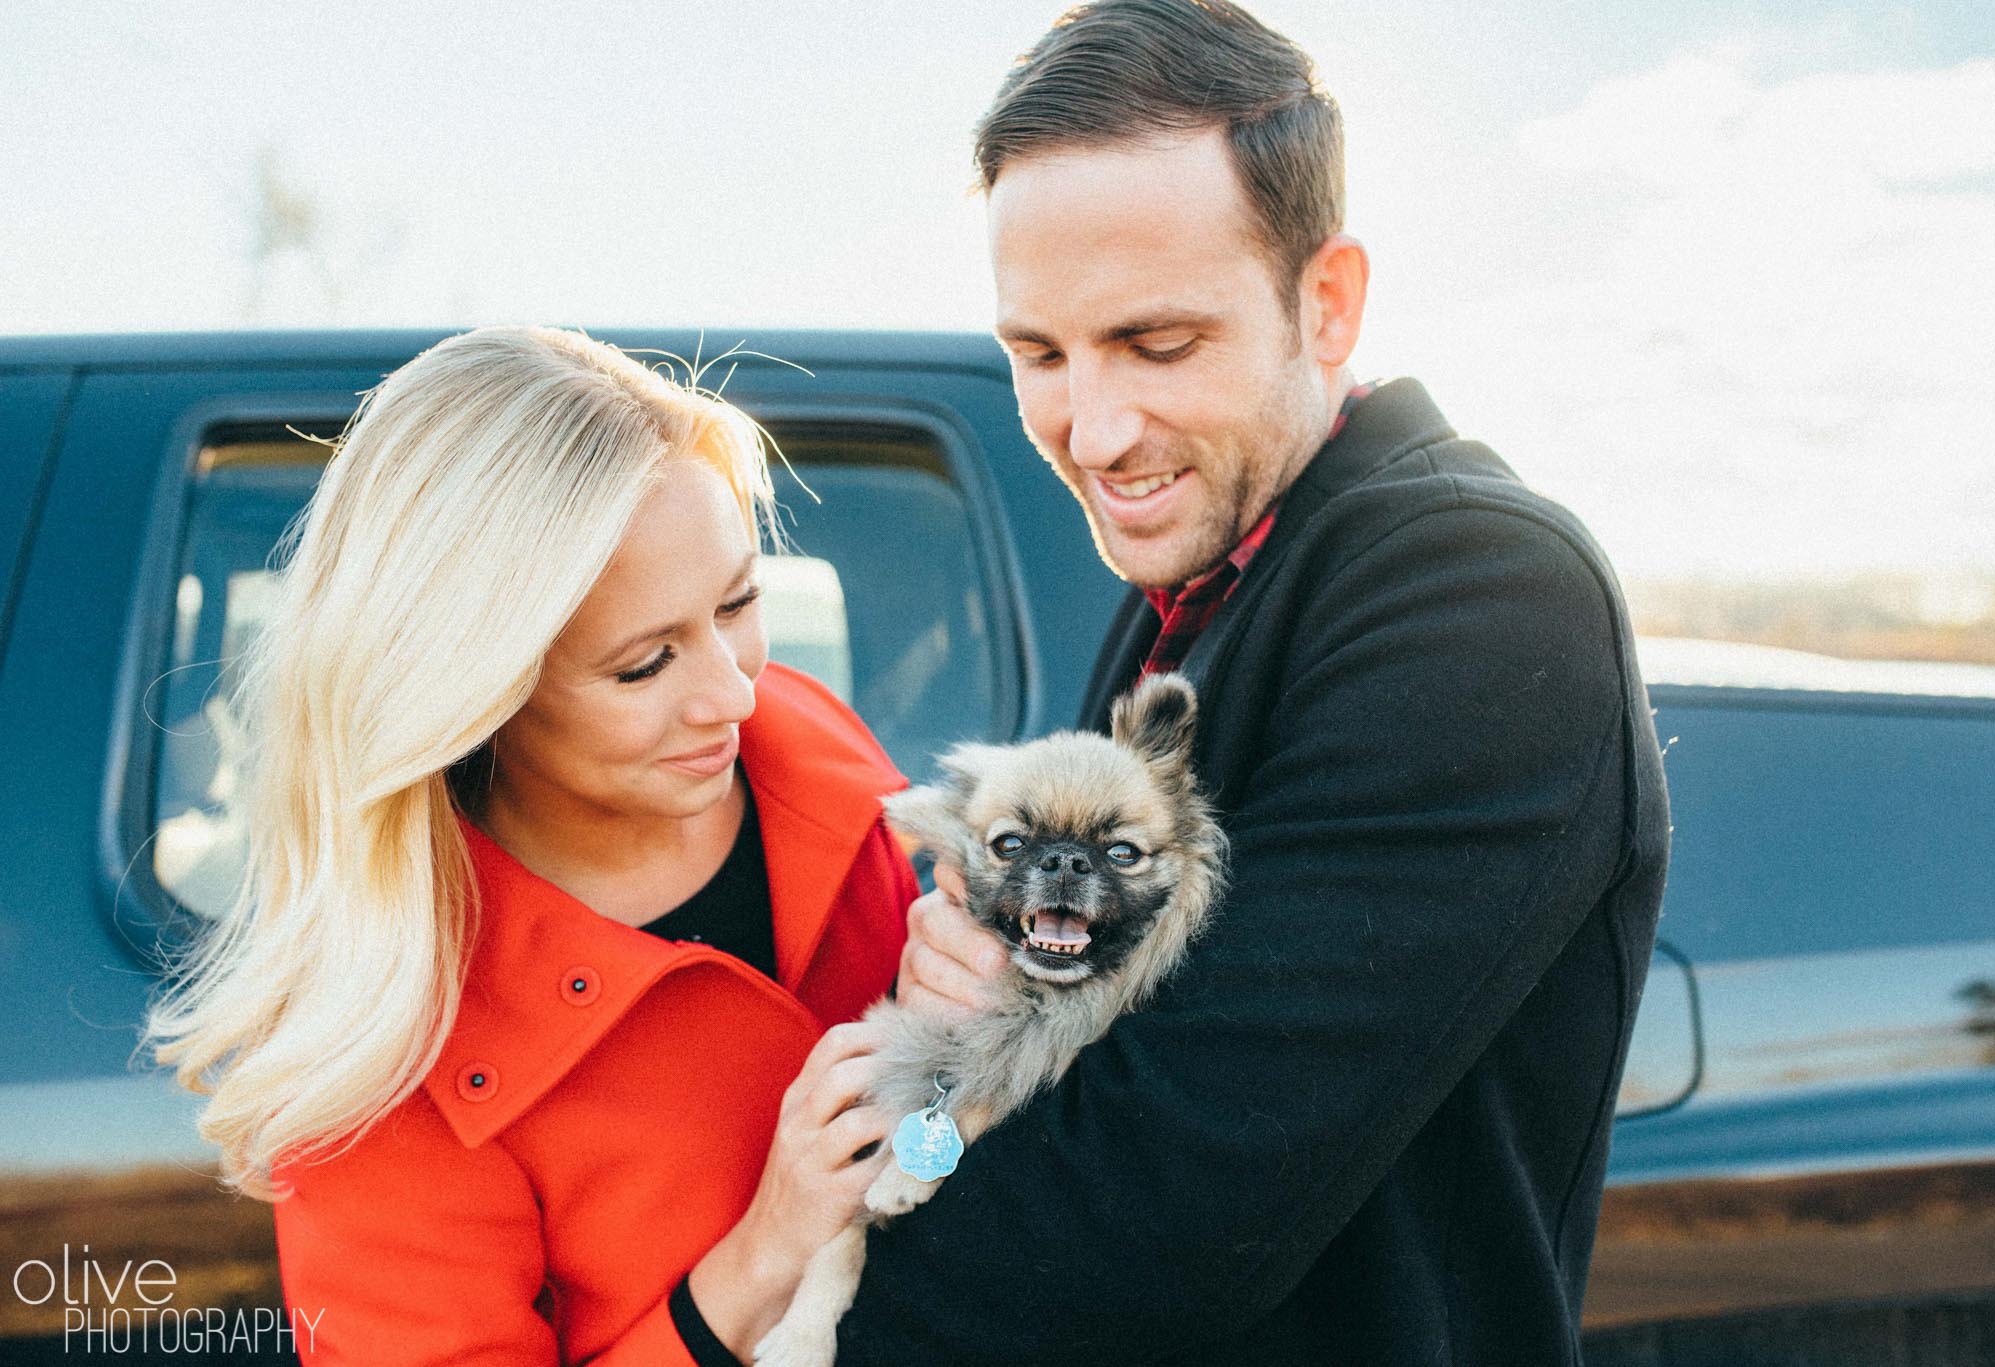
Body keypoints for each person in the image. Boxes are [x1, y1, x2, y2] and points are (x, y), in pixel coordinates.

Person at [864, 2, 1672, 1362]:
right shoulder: (1200, 583)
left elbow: (1159, 1201)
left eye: (1157, 343)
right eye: (1039, 354)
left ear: (1329, 301)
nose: (1095, 429)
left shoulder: (1478, 592)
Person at [146, 325, 931, 1364]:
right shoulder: (379, 1060)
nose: (735, 692)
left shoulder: (813, 752)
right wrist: (763, 1251)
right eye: (644, 663)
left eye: (740, 603)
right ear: (475, 694)